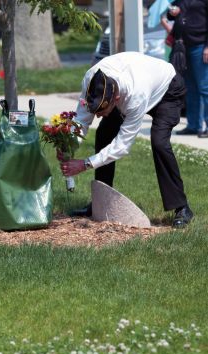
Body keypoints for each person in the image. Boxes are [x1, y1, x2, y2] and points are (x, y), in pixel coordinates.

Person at [59, 52, 193, 228]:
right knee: (104, 133)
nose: (97, 116)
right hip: (139, 83)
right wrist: (68, 144)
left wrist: (85, 164)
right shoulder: (92, 80)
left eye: (101, 112)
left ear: (116, 99)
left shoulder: (135, 96)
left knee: (159, 142)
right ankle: (101, 202)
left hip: (168, 89)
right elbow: (82, 120)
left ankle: (182, 208)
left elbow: (122, 145)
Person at [167, 0, 208, 138]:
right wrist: (172, 12)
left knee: (204, 88)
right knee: (190, 88)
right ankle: (193, 126)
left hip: (200, 46)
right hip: (183, 47)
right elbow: (170, 15)